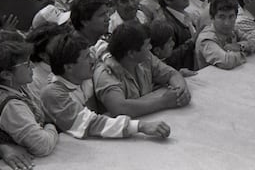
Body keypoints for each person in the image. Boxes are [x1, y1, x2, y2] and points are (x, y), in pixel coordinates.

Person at [40, 32, 171, 140]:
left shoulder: (81, 74)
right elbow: (90, 124)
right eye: (86, 57)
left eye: (91, 55)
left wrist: (107, 57)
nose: (92, 60)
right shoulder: (53, 94)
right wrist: (140, 126)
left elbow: (98, 45)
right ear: (69, 67)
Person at [93, 22, 191, 118]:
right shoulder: (106, 73)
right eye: (147, 45)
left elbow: (171, 73)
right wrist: (163, 102)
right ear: (131, 53)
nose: (151, 47)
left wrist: (180, 91)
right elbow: (119, 108)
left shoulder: (146, 58)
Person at [194, 0, 251, 70]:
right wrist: (245, 52)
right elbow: (227, 62)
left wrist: (240, 46)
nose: (227, 23)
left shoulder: (233, 30)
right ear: (212, 17)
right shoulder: (206, 39)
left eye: (231, 16)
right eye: (221, 17)